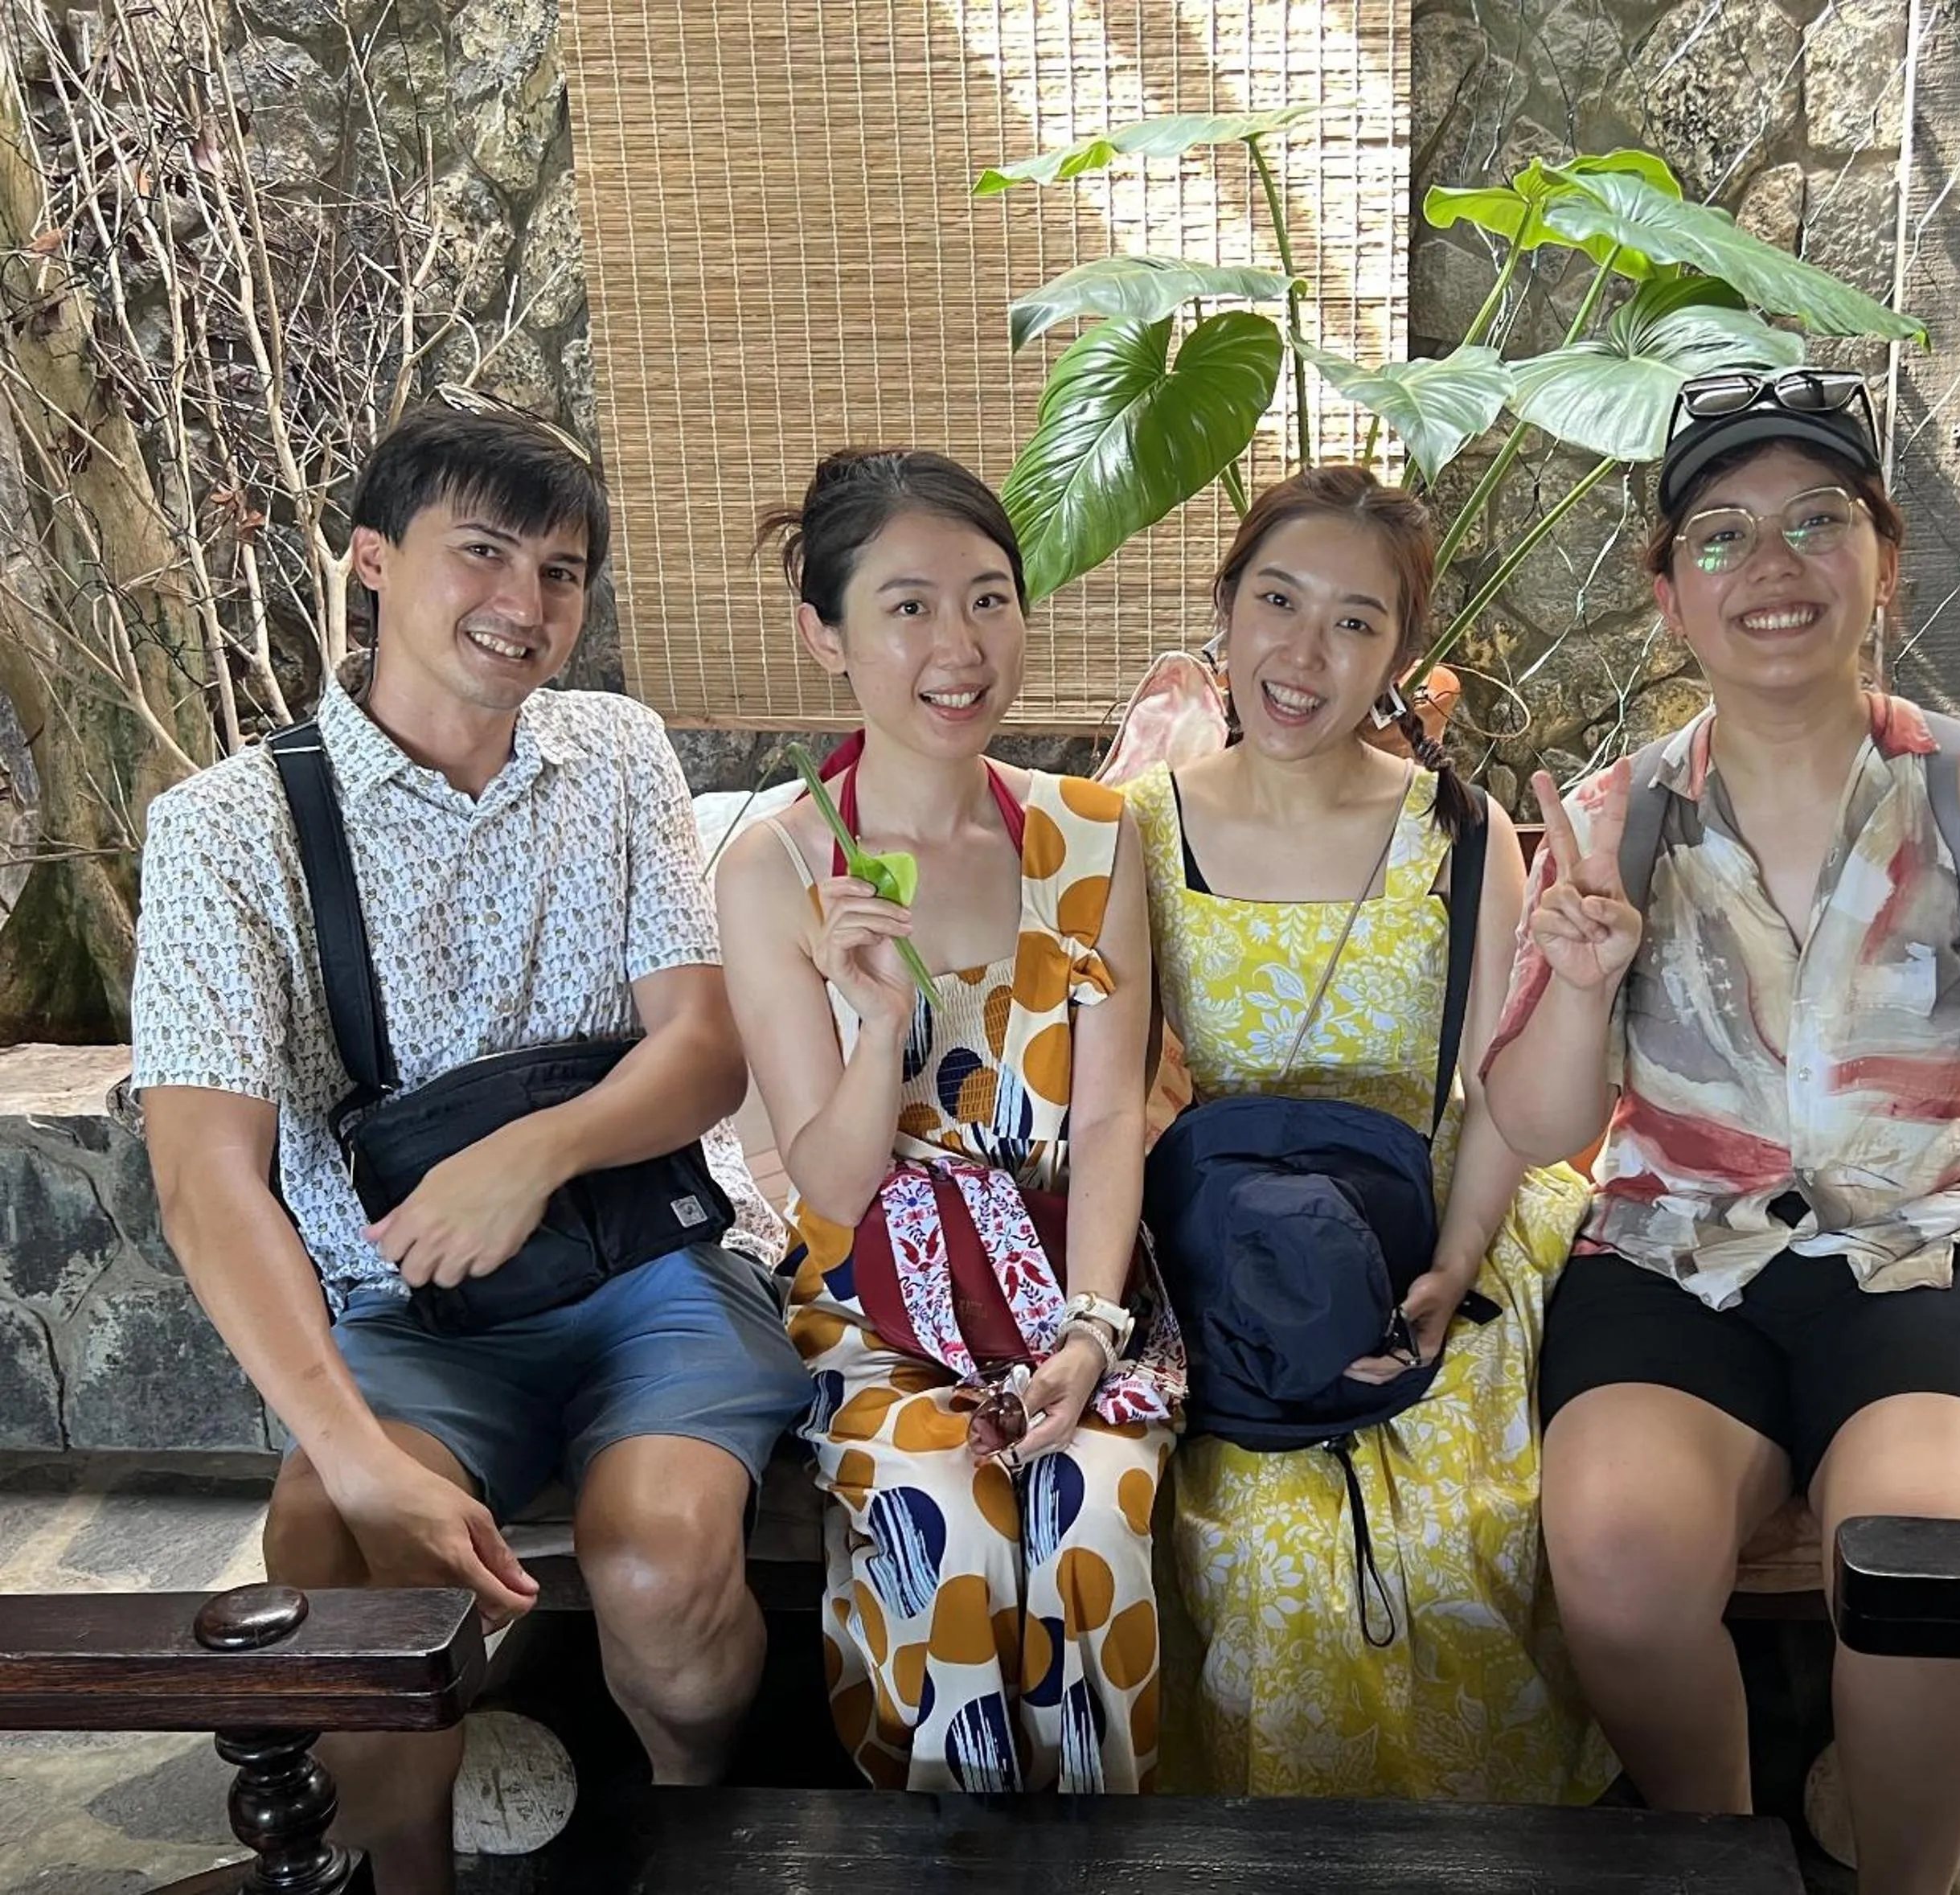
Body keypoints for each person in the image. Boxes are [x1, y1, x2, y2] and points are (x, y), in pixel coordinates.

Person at [1483, 367, 1960, 1895]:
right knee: (1616, 1568)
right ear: (1668, 597)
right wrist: (1577, 981)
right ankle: (1719, 1858)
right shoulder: (1617, 818)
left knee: (1923, 1582)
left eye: (1815, 520)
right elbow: (1534, 1121)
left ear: (1883, 561)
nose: (1769, 566)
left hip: (1924, 1260)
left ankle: (1907, 1874)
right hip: (1672, 1262)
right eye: (1718, 535)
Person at [131, 400, 810, 1894]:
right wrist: (355, 1454)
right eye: (484, 552)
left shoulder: (615, 751)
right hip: (405, 1309)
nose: (526, 603)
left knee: (657, 1561)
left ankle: (693, 1828)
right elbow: (203, 1177)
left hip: (654, 1269)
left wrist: (533, 1154)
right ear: (373, 560)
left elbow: (702, 1050)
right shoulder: (224, 831)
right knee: (334, 1546)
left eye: (561, 572)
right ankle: (412, 1874)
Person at [1124, 464, 1611, 1802]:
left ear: (1399, 653)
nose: (1304, 653)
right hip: (1229, 1252)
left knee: (1450, 1530)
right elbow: (1105, 1091)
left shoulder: (1460, 834)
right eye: (1276, 601)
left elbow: (1501, 1099)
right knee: (1257, 1546)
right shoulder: (1141, 829)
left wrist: (1451, 1268)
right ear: (1224, 606)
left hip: (1444, 1221)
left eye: (1355, 622)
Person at [716, 449, 1177, 1794]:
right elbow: (830, 1184)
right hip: (873, 1306)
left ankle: (1103, 1858)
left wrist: (1089, 1333)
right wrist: (875, 1024)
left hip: (1070, 1284)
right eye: (906, 607)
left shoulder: (1092, 835)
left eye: (987, 598)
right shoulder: (777, 867)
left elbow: (1107, 1121)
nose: (958, 646)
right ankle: (948, 1849)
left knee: (1093, 1505)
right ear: (826, 636)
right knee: (946, 1518)